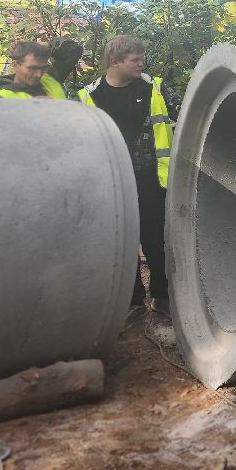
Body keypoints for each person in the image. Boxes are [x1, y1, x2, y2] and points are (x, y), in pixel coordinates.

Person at [79, 35, 179, 316]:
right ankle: (132, 300)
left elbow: (189, 112)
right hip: (111, 182)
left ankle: (162, 298)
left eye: (141, 58)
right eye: (135, 59)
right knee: (122, 243)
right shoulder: (89, 96)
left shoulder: (155, 88)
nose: (141, 63)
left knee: (155, 239)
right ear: (115, 62)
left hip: (151, 178)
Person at [0, 40, 64, 99]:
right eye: (33, 68)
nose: (39, 74)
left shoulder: (50, 78)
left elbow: (71, 49)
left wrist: (46, 45)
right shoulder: (2, 98)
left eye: (43, 68)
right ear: (15, 65)